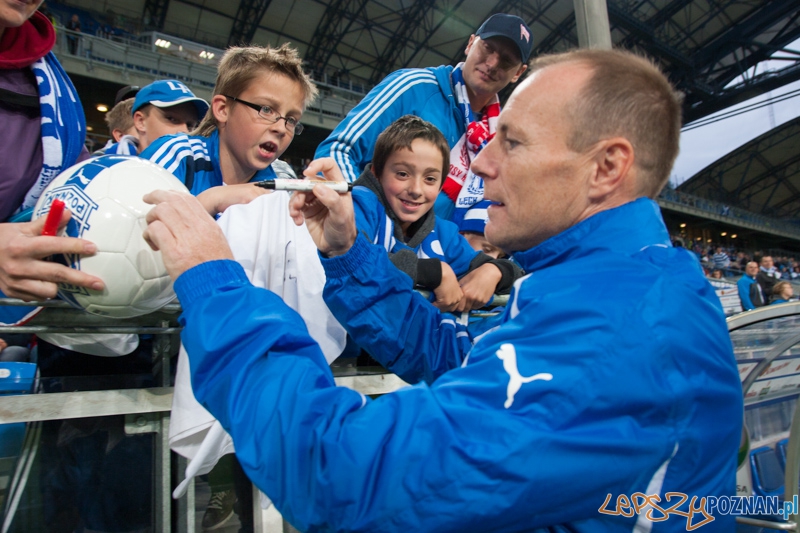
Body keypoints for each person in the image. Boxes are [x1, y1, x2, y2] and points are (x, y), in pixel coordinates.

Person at [144, 48, 743, 530]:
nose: (479, 164)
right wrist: (349, 254)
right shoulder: (612, 286)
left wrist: (215, 282)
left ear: (606, 167)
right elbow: (455, 354)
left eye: (513, 142)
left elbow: (342, 473)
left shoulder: (619, 328)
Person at [315, 13, 531, 223]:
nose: (492, 63)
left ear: (517, 73)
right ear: (470, 44)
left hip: (445, 247)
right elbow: (337, 150)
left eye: (506, 61)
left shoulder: (499, 138)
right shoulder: (413, 87)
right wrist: (365, 219)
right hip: (377, 239)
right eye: (488, 48)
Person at [352, 115, 520, 312]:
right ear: (376, 173)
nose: (416, 190)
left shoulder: (444, 234)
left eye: (430, 179)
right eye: (403, 174)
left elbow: (518, 275)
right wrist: (433, 272)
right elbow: (353, 259)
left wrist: (495, 271)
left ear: (441, 185)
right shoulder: (356, 206)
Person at [140, 44, 316, 217]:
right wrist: (211, 201)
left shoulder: (282, 183)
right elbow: (134, 227)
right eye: (266, 109)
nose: (281, 128)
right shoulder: (176, 155)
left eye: (291, 120)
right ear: (223, 109)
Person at [124, 78, 209, 155]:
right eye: (172, 119)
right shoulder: (118, 164)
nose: (184, 131)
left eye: (189, 125)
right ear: (141, 121)